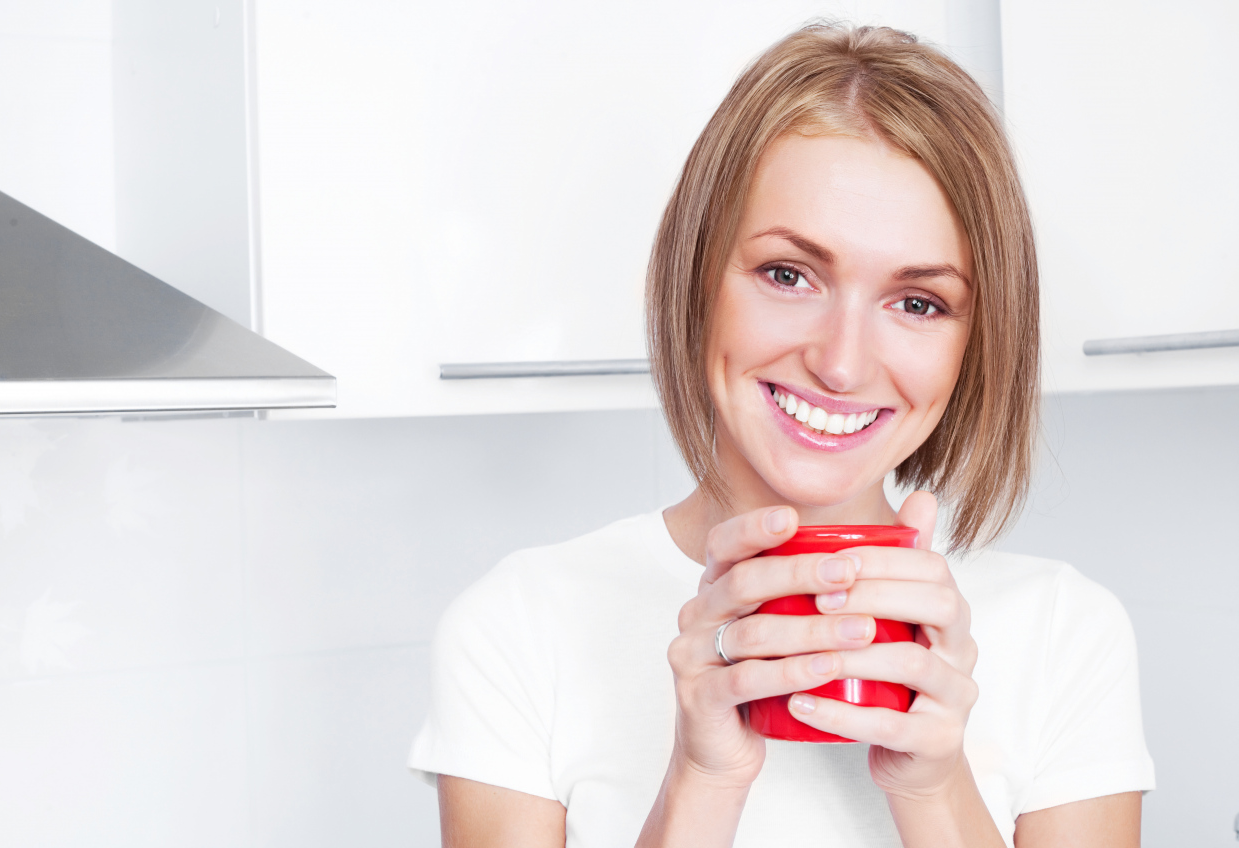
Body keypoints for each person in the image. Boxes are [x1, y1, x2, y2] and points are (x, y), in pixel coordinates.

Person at [409, 23, 1154, 847]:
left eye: (918, 302)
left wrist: (935, 789)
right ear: (698, 276)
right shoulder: (519, 627)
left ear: (976, 340)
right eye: (788, 274)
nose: (841, 363)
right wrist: (703, 782)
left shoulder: (1066, 634)